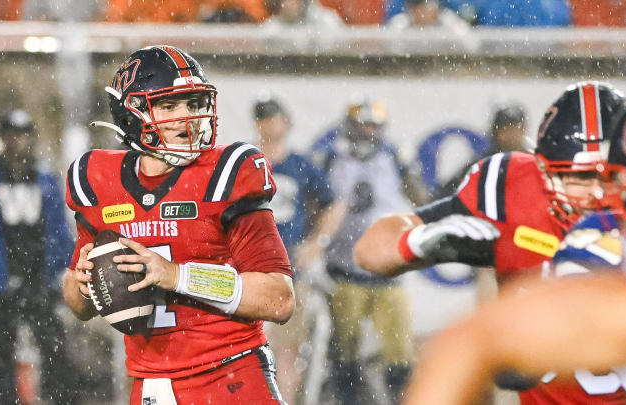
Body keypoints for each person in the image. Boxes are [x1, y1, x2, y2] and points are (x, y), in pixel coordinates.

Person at [354, 81, 626, 403]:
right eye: (579, 177)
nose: (594, 193)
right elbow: (369, 252)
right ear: (543, 168)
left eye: (608, 177)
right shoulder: (512, 186)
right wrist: (419, 242)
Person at [62, 45, 294, 404]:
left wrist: (177, 276)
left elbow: (279, 298)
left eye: (194, 104)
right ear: (131, 116)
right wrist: (81, 284)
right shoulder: (98, 181)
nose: (186, 117)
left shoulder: (226, 173)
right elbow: (79, 307)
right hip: (149, 385)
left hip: (230, 375)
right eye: (169, 106)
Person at [0, 109, 79, 405]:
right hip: (1, 279)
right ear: (2, 138)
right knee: (0, 353)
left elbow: (59, 230)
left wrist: (64, 269)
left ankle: (58, 399)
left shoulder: (45, 179)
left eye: (23, 134)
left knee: (53, 348)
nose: (17, 141)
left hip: (40, 277)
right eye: (12, 135)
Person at [311, 96, 418, 404]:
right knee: (345, 350)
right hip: (345, 270)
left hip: (388, 271)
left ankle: (401, 397)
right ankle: (349, 399)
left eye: (374, 125)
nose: (369, 131)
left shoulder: (395, 157)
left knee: (400, 352)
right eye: (363, 124)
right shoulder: (329, 159)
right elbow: (315, 205)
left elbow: (421, 198)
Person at [253, 94, 346, 404]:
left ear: (286, 122)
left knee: (287, 348)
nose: (268, 123)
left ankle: (283, 400)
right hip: (248, 267)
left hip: (289, 269)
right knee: (243, 346)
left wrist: (316, 244)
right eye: (263, 117)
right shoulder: (244, 162)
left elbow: (333, 205)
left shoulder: (299, 164)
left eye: (273, 117)